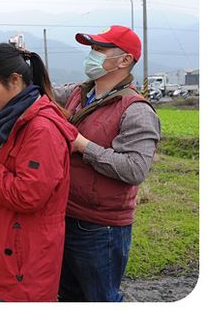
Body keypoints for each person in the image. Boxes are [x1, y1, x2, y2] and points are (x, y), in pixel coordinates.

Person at [0, 44, 78, 301]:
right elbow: (7, 171)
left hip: (25, 254)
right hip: (13, 243)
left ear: (15, 80)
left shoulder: (41, 129)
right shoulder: (15, 119)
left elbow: (26, 194)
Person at [56, 25, 161, 302]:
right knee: (68, 296)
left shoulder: (136, 110)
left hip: (100, 227)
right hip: (65, 214)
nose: (91, 55)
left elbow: (134, 169)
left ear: (125, 60)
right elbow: (42, 92)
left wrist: (83, 146)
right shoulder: (79, 93)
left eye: (99, 50)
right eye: (91, 49)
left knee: (101, 298)